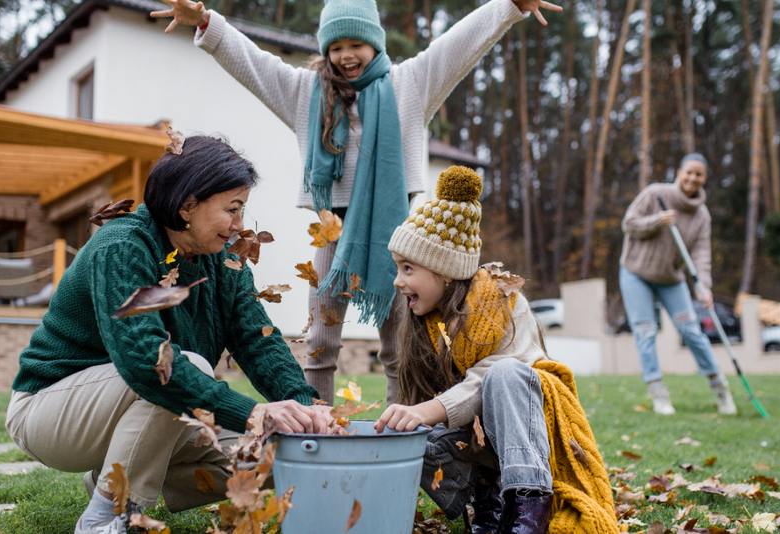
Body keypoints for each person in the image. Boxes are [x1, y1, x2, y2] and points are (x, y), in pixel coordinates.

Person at [150, 0, 562, 406]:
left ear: (375, 44)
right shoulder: (304, 93)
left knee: (401, 348)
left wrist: (509, 6)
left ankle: (403, 431)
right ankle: (320, 426)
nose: (345, 55)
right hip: (333, 232)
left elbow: (457, 45)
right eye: (335, 46)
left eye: (355, 44)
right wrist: (206, 21)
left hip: (396, 234)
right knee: (319, 343)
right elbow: (255, 63)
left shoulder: (410, 85)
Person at [5, 136, 334, 534]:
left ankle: (110, 480)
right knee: (177, 366)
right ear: (187, 206)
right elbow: (146, 362)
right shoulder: (125, 246)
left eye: (242, 209)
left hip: (138, 411)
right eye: (232, 209)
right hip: (50, 413)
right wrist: (254, 412)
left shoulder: (225, 261)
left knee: (281, 450)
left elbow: (257, 340)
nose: (240, 224)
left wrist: (302, 407)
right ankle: (107, 519)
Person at [375, 166, 619, 534]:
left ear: (444, 271)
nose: (398, 280)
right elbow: (415, 402)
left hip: (532, 440)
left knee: (504, 375)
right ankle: (489, 500)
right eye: (398, 268)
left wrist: (433, 409)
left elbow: (495, 376)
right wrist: (399, 425)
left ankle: (527, 506)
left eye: (408, 268)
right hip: (479, 440)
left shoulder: (504, 303)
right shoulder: (424, 324)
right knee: (410, 438)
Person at [620, 153, 737, 415]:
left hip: (671, 279)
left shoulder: (701, 216)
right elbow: (628, 224)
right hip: (635, 273)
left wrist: (703, 285)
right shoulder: (655, 194)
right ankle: (659, 393)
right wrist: (658, 221)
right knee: (646, 330)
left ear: (704, 179)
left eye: (699, 174)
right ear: (679, 172)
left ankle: (720, 388)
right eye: (689, 173)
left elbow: (701, 254)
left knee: (691, 330)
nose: (693, 178)